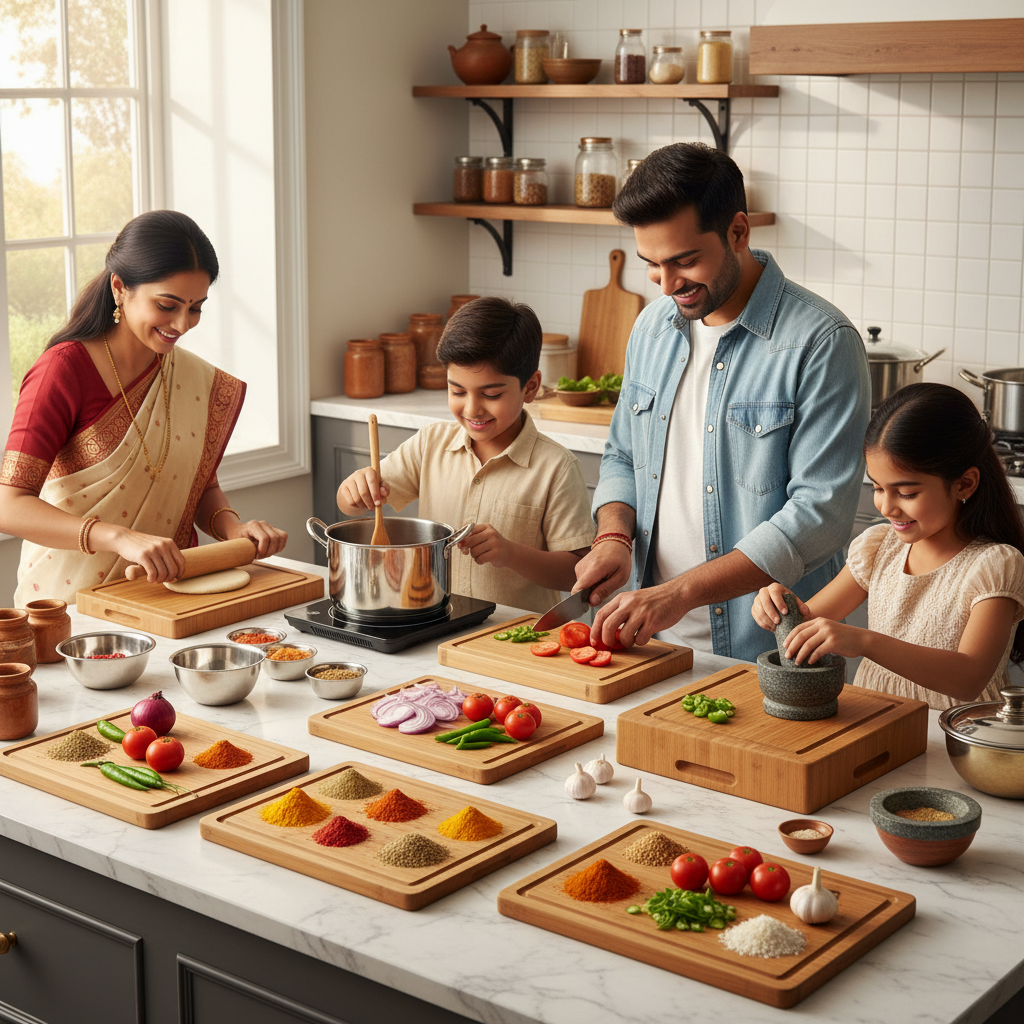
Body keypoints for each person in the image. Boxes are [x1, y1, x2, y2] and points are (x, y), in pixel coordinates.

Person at [574, 142, 871, 663]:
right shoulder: (651, 327)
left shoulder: (821, 341)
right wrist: (614, 538)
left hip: (771, 655)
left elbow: (818, 515)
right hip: (651, 645)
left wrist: (679, 593)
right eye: (652, 265)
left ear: (738, 232)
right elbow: (623, 455)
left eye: (685, 261)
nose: (668, 285)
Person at [0, 210, 288, 605]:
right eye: (167, 305)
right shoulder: (63, 371)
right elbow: (10, 506)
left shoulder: (188, 377)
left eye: (196, 307)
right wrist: (118, 537)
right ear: (120, 287)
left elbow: (201, 485)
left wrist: (232, 530)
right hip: (71, 607)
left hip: (166, 597)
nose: (182, 324)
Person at [752, 383, 1024, 711]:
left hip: (958, 730)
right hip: (879, 719)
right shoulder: (879, 547)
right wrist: (778, 607)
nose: (886, 507)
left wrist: (864, 641)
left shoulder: (995, 565)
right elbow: (804, 626)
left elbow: (969, 679)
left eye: (906, 493)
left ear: (964, 484)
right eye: (878, 488)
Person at [335, 296, 596, 613]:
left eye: (491, 394)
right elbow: (349, 504)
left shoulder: (557, 468)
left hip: (514, 634)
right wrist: (354, 488)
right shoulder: (430, 443)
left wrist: (511, 554)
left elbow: (577, 573)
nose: (472, 409)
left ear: (530, 387)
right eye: (457, 391)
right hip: (438, 624)